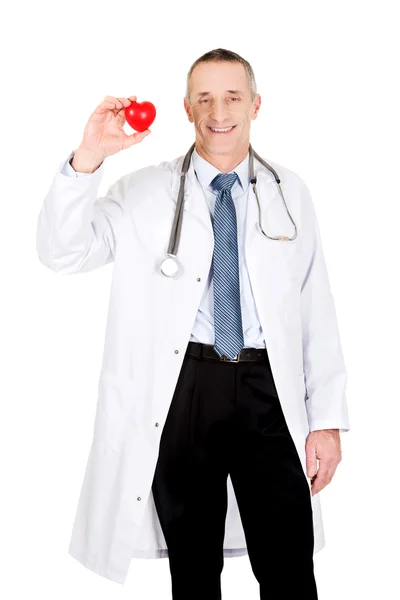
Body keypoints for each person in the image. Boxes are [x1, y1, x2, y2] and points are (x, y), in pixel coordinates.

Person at [36, 48, 350, 599]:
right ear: (186, 108)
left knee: (289, 566)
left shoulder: (289, 191)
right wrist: (90, 154)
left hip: (268, 392)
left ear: (256, 105)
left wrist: (325, 420)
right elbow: (62, 252)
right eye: (204, 98)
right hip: (184, 391)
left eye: (232, 97)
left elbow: (315, 311)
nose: (218, 111)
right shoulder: (141, 192)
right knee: (194, 570)